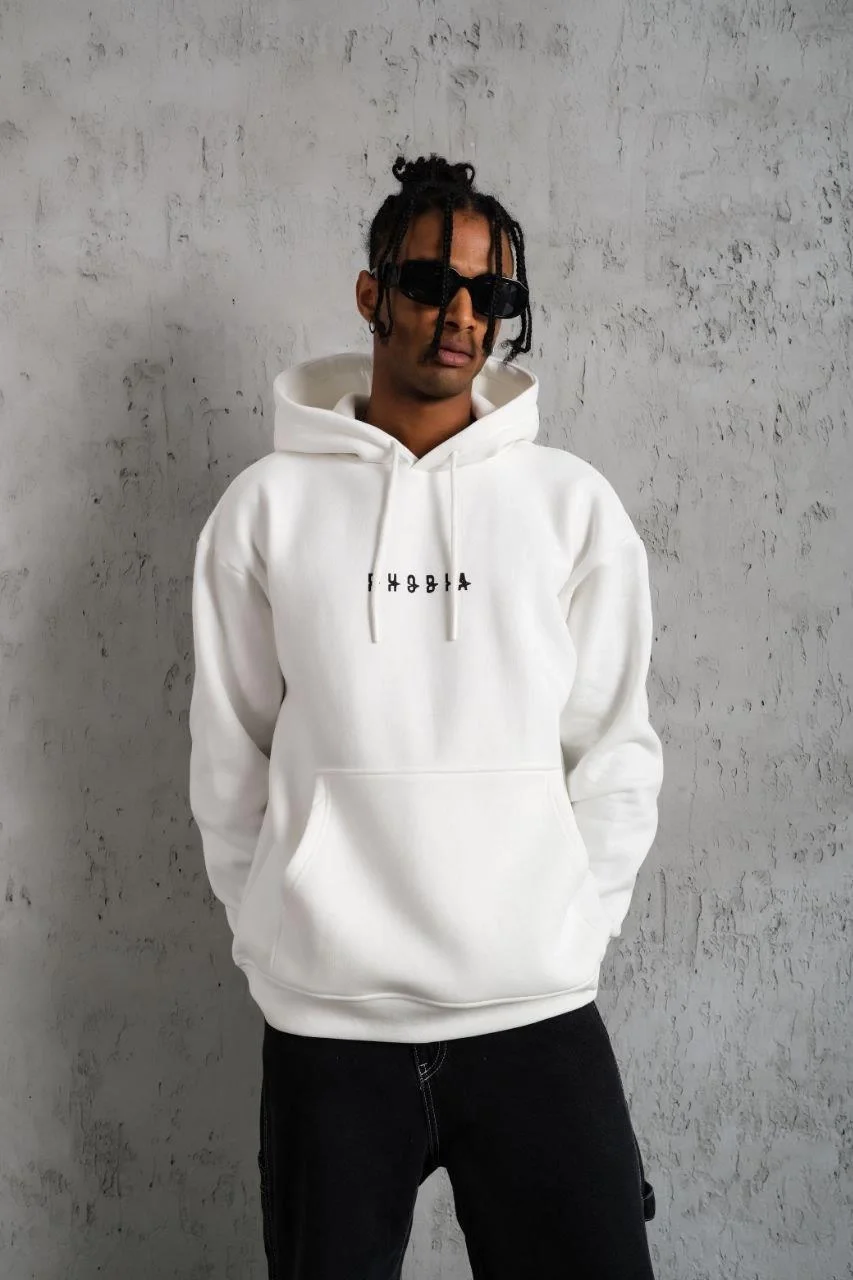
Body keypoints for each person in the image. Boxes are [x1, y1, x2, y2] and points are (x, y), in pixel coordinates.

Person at [188, 152, 664, 1279]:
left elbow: (614, 748)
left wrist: (568, 930)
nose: (459, 315)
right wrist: (280, 939)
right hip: (331, 1027)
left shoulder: (570, 506)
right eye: (427, 282)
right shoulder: (264, 511)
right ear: (372, 293)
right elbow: (230, 753)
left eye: (489, 294)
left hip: (533, 1011)